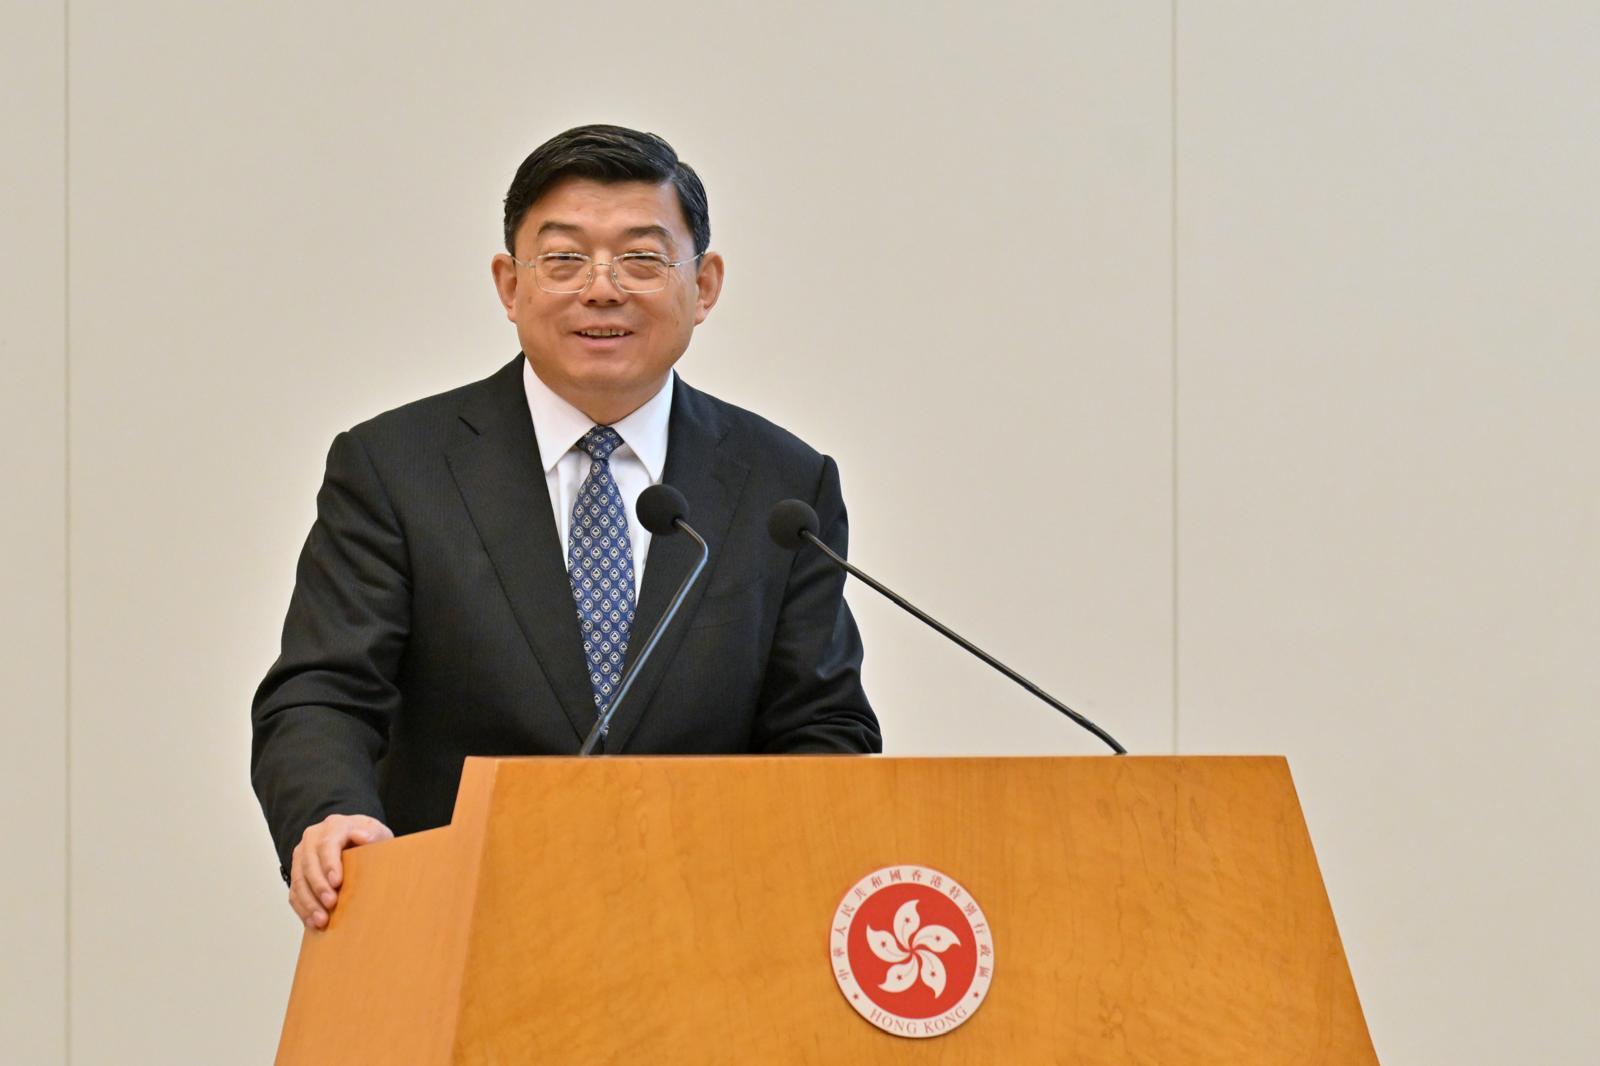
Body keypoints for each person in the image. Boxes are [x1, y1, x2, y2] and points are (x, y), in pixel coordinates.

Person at [251, 125, 880, 931]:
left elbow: (822, 725)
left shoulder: (782, 485)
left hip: (712, 932)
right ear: (510, 286)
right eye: (565, 259)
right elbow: (323, 691)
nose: (603, 289)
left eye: (642, 259)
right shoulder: (396, 467)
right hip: (454, 925)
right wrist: (333, 814)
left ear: (706, 284)